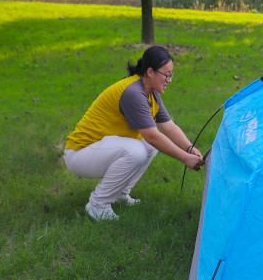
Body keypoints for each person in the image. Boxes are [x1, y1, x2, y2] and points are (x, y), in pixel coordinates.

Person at [64, 46, 204, 221]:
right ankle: (97, 205)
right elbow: (153, 136)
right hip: (79, 153)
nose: (169, 80)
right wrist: (185, 158)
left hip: (97, 149)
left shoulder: (150, 91)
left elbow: (168, 127)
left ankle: (120, 193)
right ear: (150, 72)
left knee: (149, 147)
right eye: (166, 74)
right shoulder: (133, 93)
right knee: (137, 150)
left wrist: (190, 148)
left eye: (171, 74)